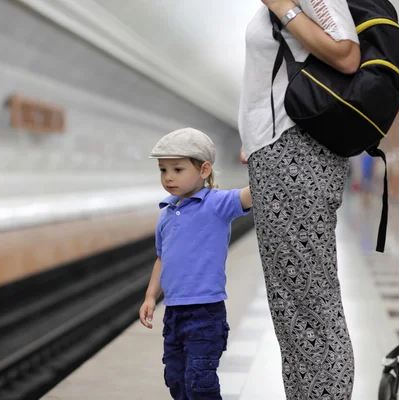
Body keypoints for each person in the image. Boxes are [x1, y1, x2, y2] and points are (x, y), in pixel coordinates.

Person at [238, 1, 360, 398]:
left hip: (295, 155)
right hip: (277, 153)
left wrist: (283, 7)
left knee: (309, 304)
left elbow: (346, 53)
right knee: (292, 306)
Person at [139, 127, 252, 400]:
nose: (168, 178)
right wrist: (150, 297)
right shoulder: (166, 213)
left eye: (177, 170)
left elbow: (255, 192)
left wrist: (259, 158)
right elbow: (162, 259)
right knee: (176, 379)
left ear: (204, 170)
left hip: (205, 312)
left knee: (200, 382)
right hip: (174, 313)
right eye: (163, 170)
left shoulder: (217, 204)